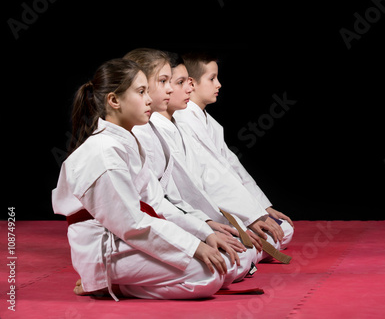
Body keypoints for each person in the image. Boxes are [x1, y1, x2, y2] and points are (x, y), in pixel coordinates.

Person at [52, 58, 241, 301]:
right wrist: (192, 246)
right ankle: (108, 284)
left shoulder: (128, 142)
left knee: (228, 264)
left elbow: (157, 204)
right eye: (141, 92)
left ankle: (121, 282)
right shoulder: (103, 152)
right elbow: (132, 224)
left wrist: (204, 233)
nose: (149, 99)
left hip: (128, 237)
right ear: (114, 100)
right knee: (209, 275)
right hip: (106, 248)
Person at [149, 51, 291, 263]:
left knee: (279, 231)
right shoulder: (170, 123)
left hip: (202, 212)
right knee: (241, 253)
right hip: (180, 218)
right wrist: (216, 223)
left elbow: (229, 168)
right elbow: (195, 185)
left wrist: (260, 208)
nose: (219, 84)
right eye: (212, 78)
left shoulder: (190, 123)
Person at [124, 48, 257, 261]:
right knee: (229, 263)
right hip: (134, 235)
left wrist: (207, 224)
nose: (171, 90)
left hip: (172, 218)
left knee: (240, 254)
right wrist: (200, 233)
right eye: (165, 82)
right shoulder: (134, 136)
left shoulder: (157, 129)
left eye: (172, 82)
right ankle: (111, 278)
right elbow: (149, 205)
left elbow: (174, 194)